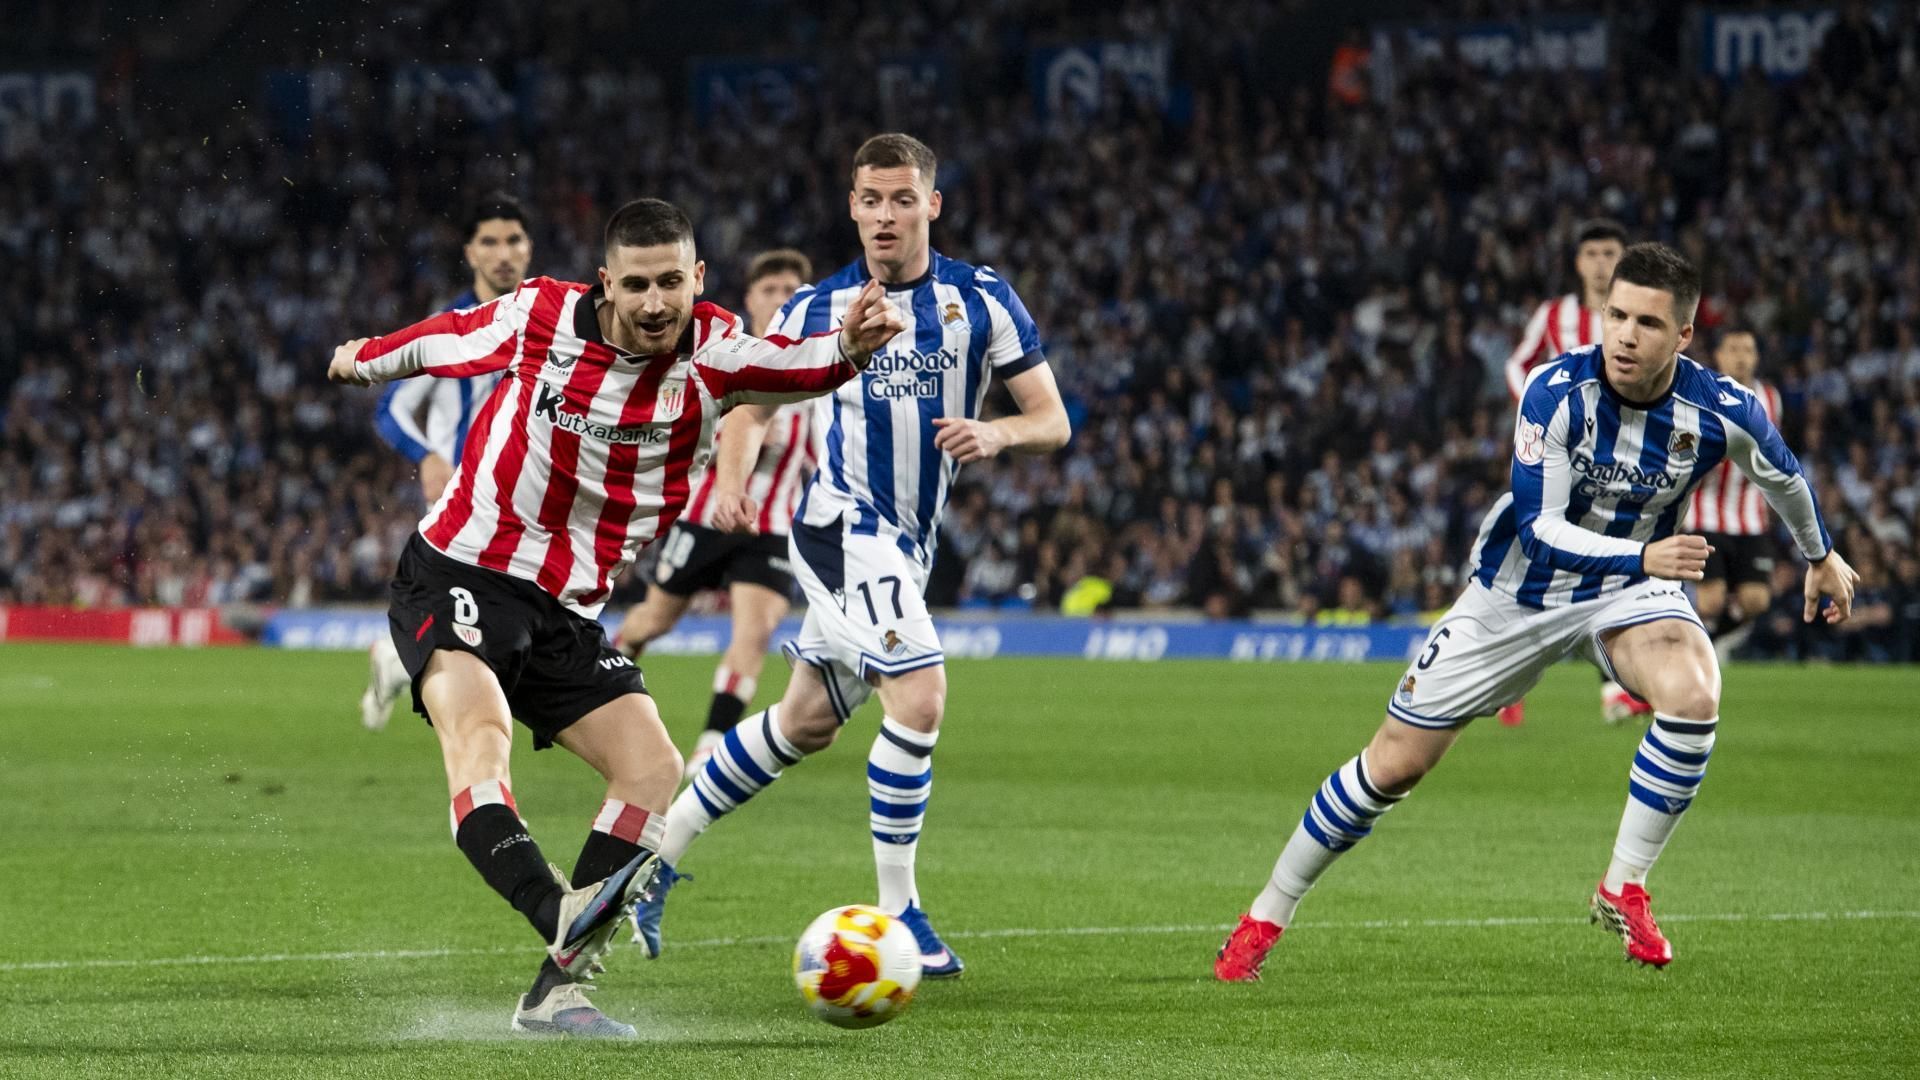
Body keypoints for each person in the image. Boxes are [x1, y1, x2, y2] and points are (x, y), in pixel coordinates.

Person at [325, 198, 902, 1036]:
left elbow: (802, 365)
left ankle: (553, 994)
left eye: (672, 281)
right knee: (478, 737)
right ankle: (562, 919)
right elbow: (443, 341)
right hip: (462, 568)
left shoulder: (717, 353)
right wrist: (361, 361)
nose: (656, 302)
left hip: (566, 609)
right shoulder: (543, 316)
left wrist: (850, 345)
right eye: (637, 285)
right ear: (608, 283)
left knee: (650, 766)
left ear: (698, 278)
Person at [1214, 243, 1857, 982]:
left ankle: (1625, 884)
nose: (1623, 335)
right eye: (1615, 315)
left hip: (1625, 594)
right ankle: (1266, 912)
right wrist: (1645, 558)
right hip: (1516, 594)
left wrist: (1819, 556)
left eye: (1647, 323)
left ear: (1682, 336)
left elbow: (1784, 477)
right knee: (1393, 765)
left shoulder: (1721, 408)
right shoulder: (1556, 391)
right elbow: (1537, 529)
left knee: (1695, 688)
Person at [630, 133, 1072, 978]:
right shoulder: (813, 310)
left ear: (931, 206)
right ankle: (900, 916)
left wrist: (998, 430)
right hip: (842, 528)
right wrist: (731, 481)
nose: (884, 215)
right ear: (852, 207)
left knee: (803, 723)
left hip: (908, 544)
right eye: (870, 200)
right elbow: (749, 410)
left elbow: (1052, 420)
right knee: (921, 695)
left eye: (902, 199)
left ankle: (651, 857)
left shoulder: (982, 300)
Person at [614, 249, 816, 782]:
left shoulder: (818, 366)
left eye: (791, 291)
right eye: (770, 289)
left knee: (754, 634)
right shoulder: (722, 354)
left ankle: (709, 746)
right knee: (653, 620)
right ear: (750, 299)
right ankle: (610, 665)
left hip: (769, 526)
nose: (780, 299)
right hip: (703, 515)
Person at [360, 193, 533, 731]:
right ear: (470, 252)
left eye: (514, 240)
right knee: (495, 628)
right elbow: (391, 410)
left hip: (529, 498)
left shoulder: (549, 323)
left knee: (502, 628)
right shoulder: (449, 329)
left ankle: (395, 661)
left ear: (529, 249)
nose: (503, 253)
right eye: (490, 241)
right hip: (463, 502)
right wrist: (428, 455)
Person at [1499, 219, 1647, 727]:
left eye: (1611, 251)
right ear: (1578, 262)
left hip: (1616, 461)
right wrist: (1539, 411)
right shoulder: (1554, 315)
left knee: (1602, 567)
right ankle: (1507, 677)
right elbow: (1517, 365)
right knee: (1540, 564)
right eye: (1592, 253)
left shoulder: (1641, 316)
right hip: (1556, 459)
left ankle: (1608, 688)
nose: (1602, 262)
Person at [1685, 328, 1783, 657]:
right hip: (1706, 513)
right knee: (1711, 601)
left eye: (1748, 350)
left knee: (1757, 599)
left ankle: (1703, 645)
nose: (1741, 357)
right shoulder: (1701, 395)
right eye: (1733, 348)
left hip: (1750, 518)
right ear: (1719, 355)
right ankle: (1689, 645)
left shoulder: (1770, 399)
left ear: (1756, 357)